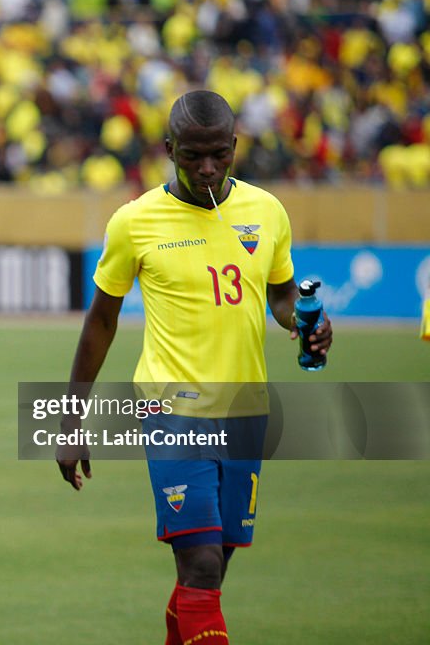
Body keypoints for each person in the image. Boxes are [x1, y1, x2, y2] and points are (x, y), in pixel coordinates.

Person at [56, 90, 332, 644]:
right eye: (191, 156)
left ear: (234, 146)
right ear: (168, 148)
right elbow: (100, 321)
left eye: (217, 155)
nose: (206, 168)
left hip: (246, 409)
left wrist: (305, 323)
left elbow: (280, 296)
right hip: (170, 409)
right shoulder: (135, 222)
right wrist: (70, 419)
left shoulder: (266, 212)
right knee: (201, 564)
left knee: (210, 573)